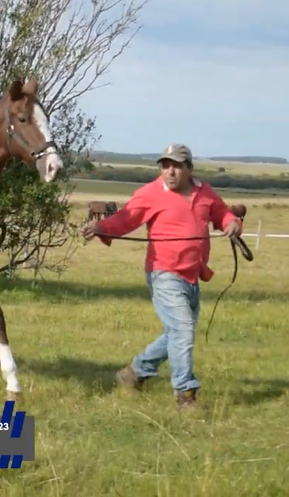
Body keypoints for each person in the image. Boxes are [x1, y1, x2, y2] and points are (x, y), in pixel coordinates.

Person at [81, 144, 242, 411]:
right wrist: (99, 227)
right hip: (163, 272)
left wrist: (232, 223)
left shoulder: (205, 192)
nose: (170, 171)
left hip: (193, 274)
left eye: (176, 165)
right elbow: (124, 219)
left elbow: (222, 213)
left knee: (177, 332)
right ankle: (185, 394)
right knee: (183, 330)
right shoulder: (150, 193)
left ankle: (135, 372)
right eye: (165, 165)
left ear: (189, 169)